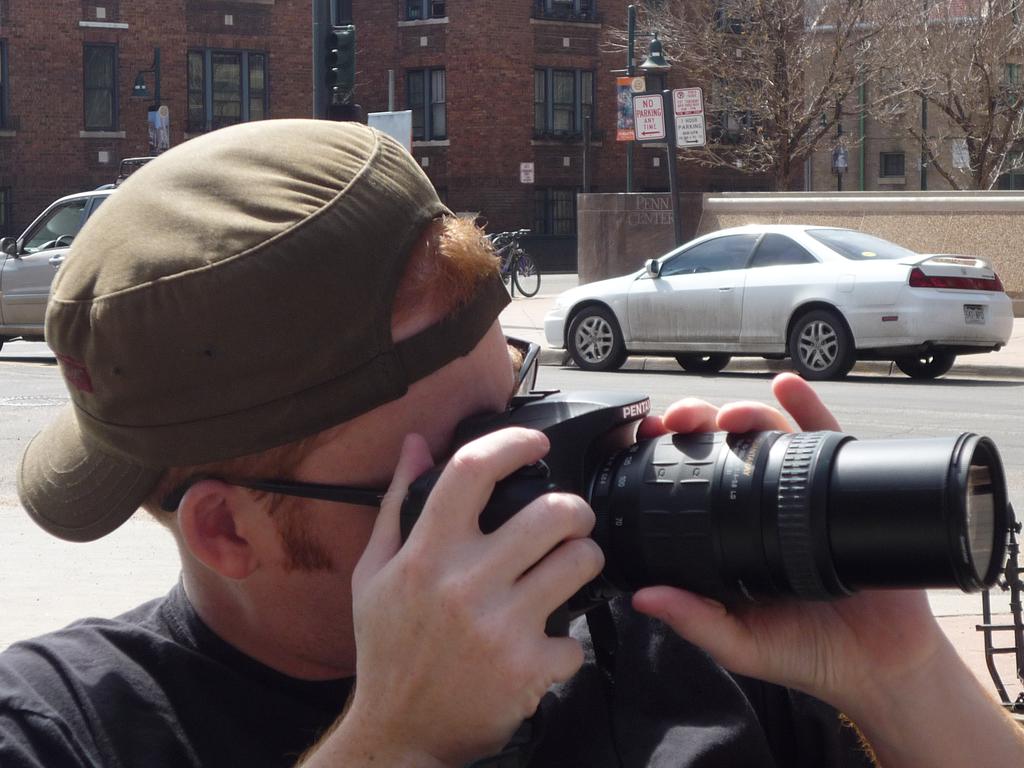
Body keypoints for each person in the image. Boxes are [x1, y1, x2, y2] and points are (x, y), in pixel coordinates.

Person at [1, 119, 1022, 768]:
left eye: (526, 407)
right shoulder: (61, 730)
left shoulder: (683, 631)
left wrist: (900, 681)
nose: (549, 483)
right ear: (228, 532)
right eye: (474, 463)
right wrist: (395, 746)